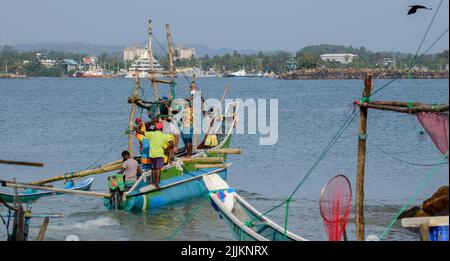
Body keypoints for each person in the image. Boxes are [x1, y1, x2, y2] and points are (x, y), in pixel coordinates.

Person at [134, 122, 174, 189]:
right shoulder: (164, 135)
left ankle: (153, 183)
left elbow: (140, 132)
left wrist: (135, 128)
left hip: (152, 154)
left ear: (155, 128)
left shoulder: (151, 134)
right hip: (159, 154)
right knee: (158, 169)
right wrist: (166, 149)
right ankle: (156, 184)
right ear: (161, 128)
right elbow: (172, 143)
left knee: (153, 169)